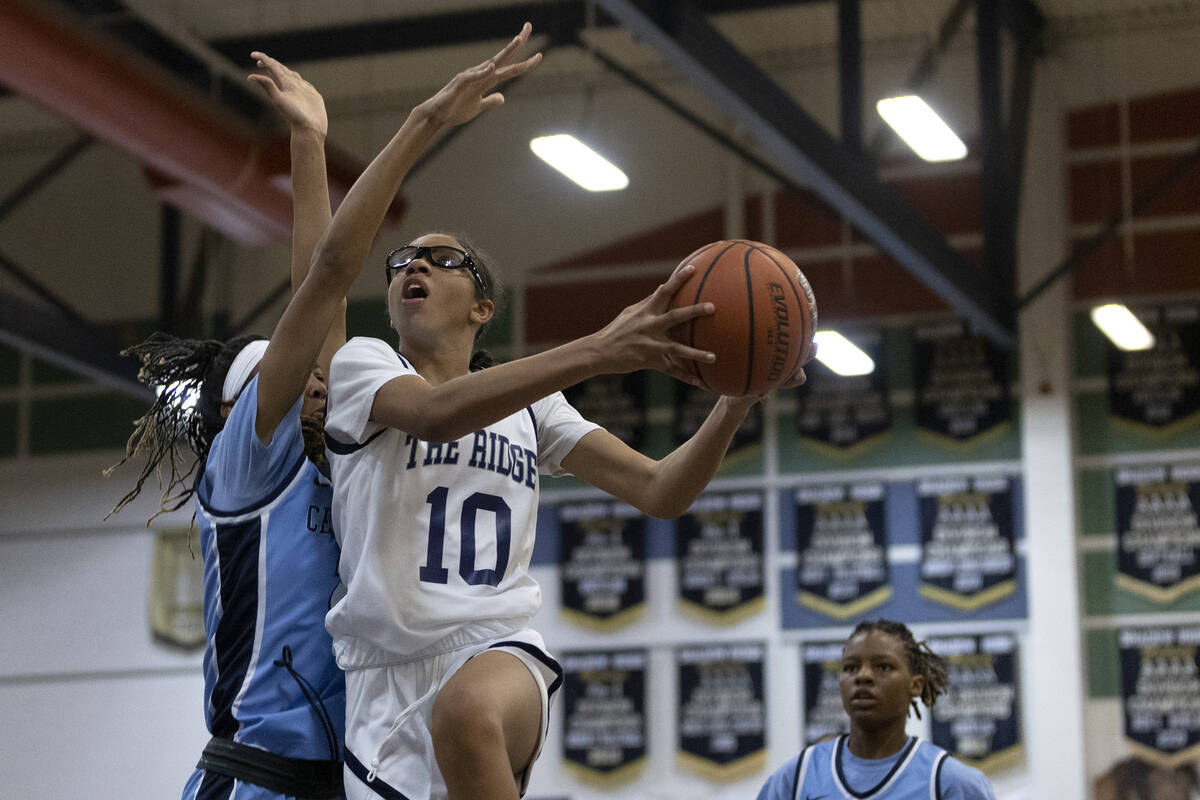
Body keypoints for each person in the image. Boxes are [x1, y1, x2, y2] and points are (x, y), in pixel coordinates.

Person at [315, 22, 813, 800]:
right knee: (450, 722)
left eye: (441, 259)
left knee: (468, 714)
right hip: (380, 680)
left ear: (482, 306)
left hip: (495, 648)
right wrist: (600, 348)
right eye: (402, 260)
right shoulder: (362, 369)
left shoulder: (532, 405)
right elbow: (440, 414)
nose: (413, 264)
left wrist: (735, 401)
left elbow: (660, 491)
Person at [108, 53, 353, 800]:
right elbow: (323, 283)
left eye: (319, 377)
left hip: (333, 779)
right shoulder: (244, 467)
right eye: (297, 375)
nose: (319, 380)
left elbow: (329, 310)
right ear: (238, 412)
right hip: (254, 776)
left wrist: (313, 142)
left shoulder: (331, 453)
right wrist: (307, 146)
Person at [757, 619, 997, 800]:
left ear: (915, 685)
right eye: (850, 668)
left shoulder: (950, 783)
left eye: (883, 666)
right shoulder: (797, 778)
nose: (863, 676)